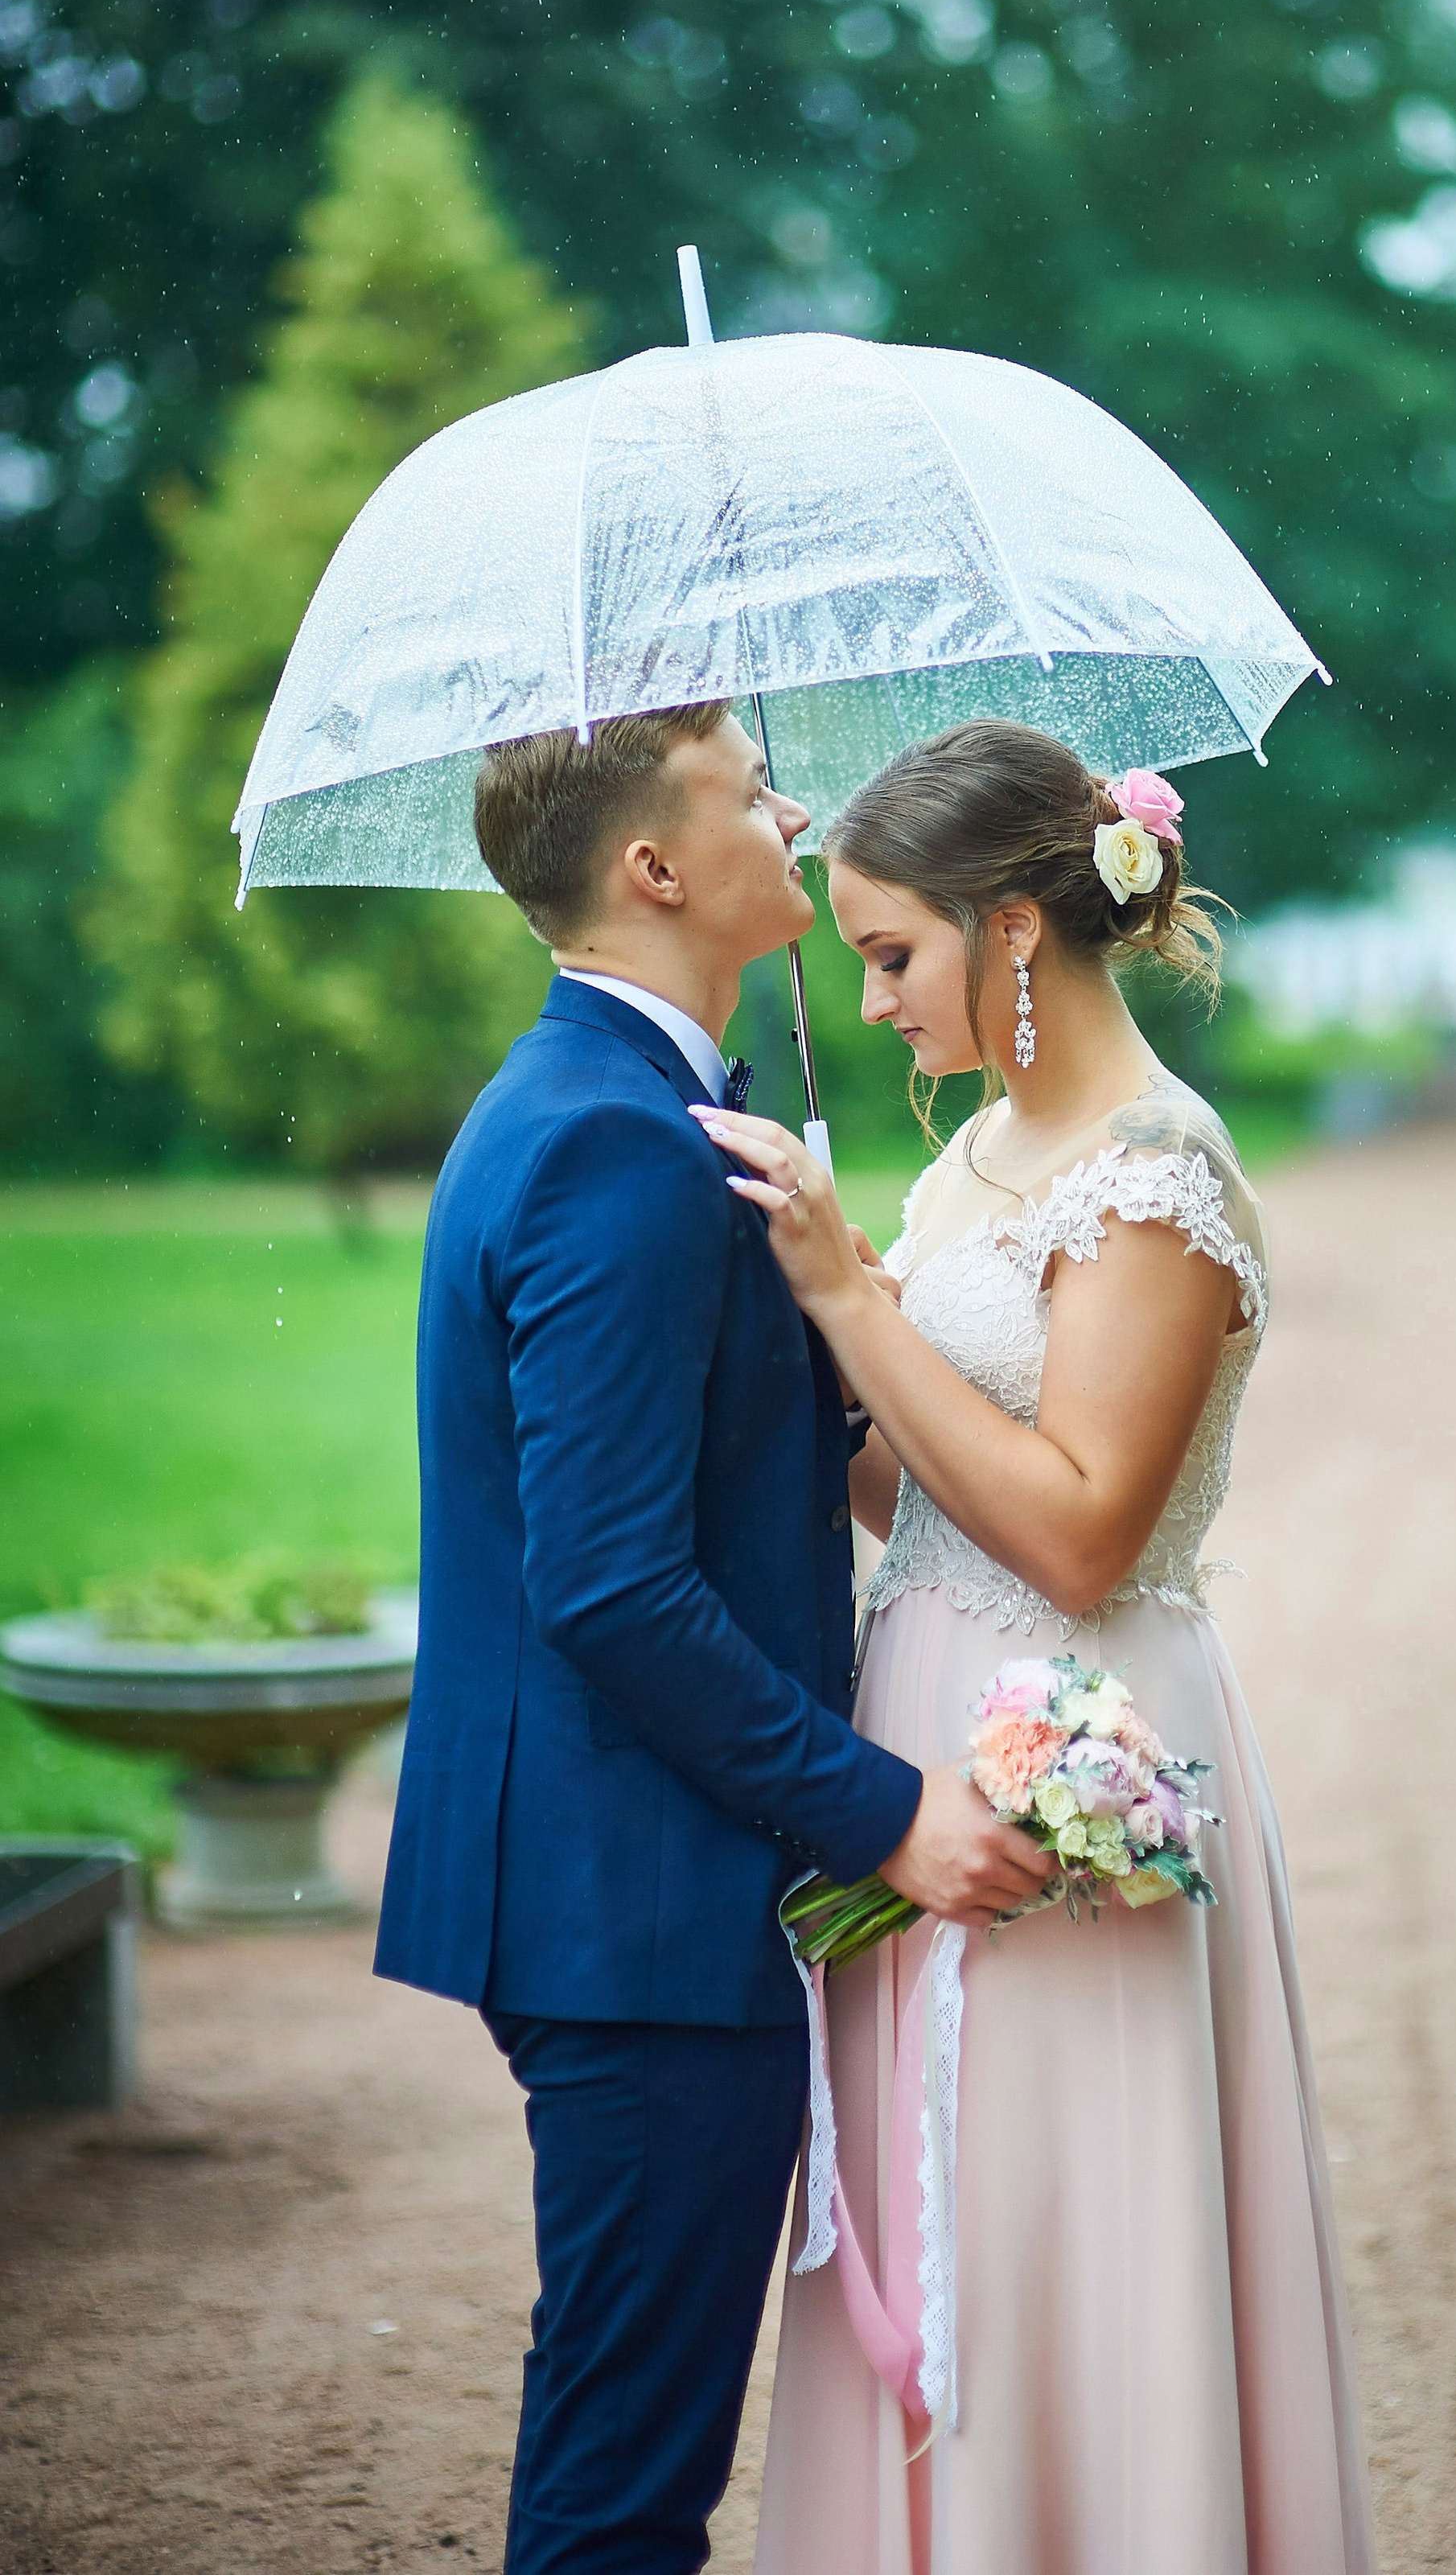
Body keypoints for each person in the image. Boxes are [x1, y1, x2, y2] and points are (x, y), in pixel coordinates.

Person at [374, 700, 1052, 2575]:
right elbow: (604, 1583)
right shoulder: (607, 1143)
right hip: (633, 1908)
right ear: (655, 867)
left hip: (628, 1887)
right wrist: (879, 1811)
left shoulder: (647, 1112)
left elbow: (698, 1471)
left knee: (629, 2430)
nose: (795, 808)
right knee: (625, 2479)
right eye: (753, 789)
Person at [696, 719, 1372, 2575]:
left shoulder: (1157, 1175)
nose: (867, 990)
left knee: (1066, 2229)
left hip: (1076, 1751)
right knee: (938, 2239)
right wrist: (791, 1373)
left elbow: (1075, 1531)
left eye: (890, 949)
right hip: (920, 1737)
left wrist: (853, 1299)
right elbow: (922, 1492)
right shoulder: (978, 1154)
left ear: (1012, 931)